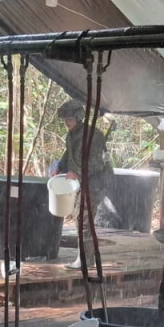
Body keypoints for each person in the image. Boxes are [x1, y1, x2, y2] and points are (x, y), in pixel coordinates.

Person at [55, 101, 115, 270]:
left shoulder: (92, 135)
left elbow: (96, 163)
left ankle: (85, 259)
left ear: (78, 118)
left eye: (70, 119)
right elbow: (69, 153)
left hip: (95, 181)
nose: (67, 123)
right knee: (80, 217)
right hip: (83, 181)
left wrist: (78, 173)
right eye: (65, 119)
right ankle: (87, 257)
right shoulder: (73, 134)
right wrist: (60, 167)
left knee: (84, 219)